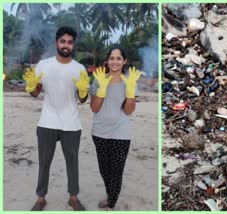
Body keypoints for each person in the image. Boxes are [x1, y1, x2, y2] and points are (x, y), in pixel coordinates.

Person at [23, 26, 89, 211]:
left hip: (71, 123)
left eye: (69, 42)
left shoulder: (79, 68)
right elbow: (35, 93)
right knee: (44, 162)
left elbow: (82, 99)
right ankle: (41, 198)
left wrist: (83, 90)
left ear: (73, 45)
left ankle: (73, 197)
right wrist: (30, 86)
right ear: (56, 43)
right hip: (47, 122)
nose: (66, 45)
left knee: (72, 163)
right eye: (63, 41)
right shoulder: (44, 65)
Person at [89, 44, 140, 210]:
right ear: (107, 61)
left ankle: (111, 203)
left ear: (124, 61)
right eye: (112, 58)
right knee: (105, 170)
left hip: (121, 133)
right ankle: (110, 195)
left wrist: (130, 91)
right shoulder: (98, 79)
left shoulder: (130, 80)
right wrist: (102, 89)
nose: (115, 61)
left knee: (116, 173)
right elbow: (94, 108)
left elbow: (128, 110)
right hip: (99, 132)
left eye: (119, 58)